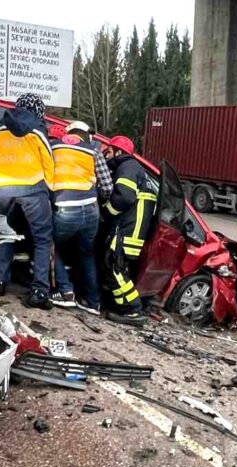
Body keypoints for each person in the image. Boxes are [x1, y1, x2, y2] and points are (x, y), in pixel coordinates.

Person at [0, 93, 55, 308]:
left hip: (4, 189)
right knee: (42, 238)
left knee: (5, 233)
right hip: (33, 189)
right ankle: (40, 288)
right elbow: (48, 160)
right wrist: (49, 188)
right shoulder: (38, 129)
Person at [48, 120, 114, 314]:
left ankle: (66, 292)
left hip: (64, 208)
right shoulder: (93, 151)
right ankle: (93, 302)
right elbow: (108, 188)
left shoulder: (53, 147)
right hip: (91, 211)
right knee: (86, 254)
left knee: (50, 245)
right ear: (86, 135)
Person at [101, 135, 157, 326]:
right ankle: (122, 306)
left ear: (118, 152)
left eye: (108, 151)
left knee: (114, 268)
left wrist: (106, 213)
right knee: (116, 268)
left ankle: (133, 310)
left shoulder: (128, 167)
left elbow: (124, 197)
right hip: (132, 231)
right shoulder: (135, 169)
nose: (105, 155)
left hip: (126, 232)